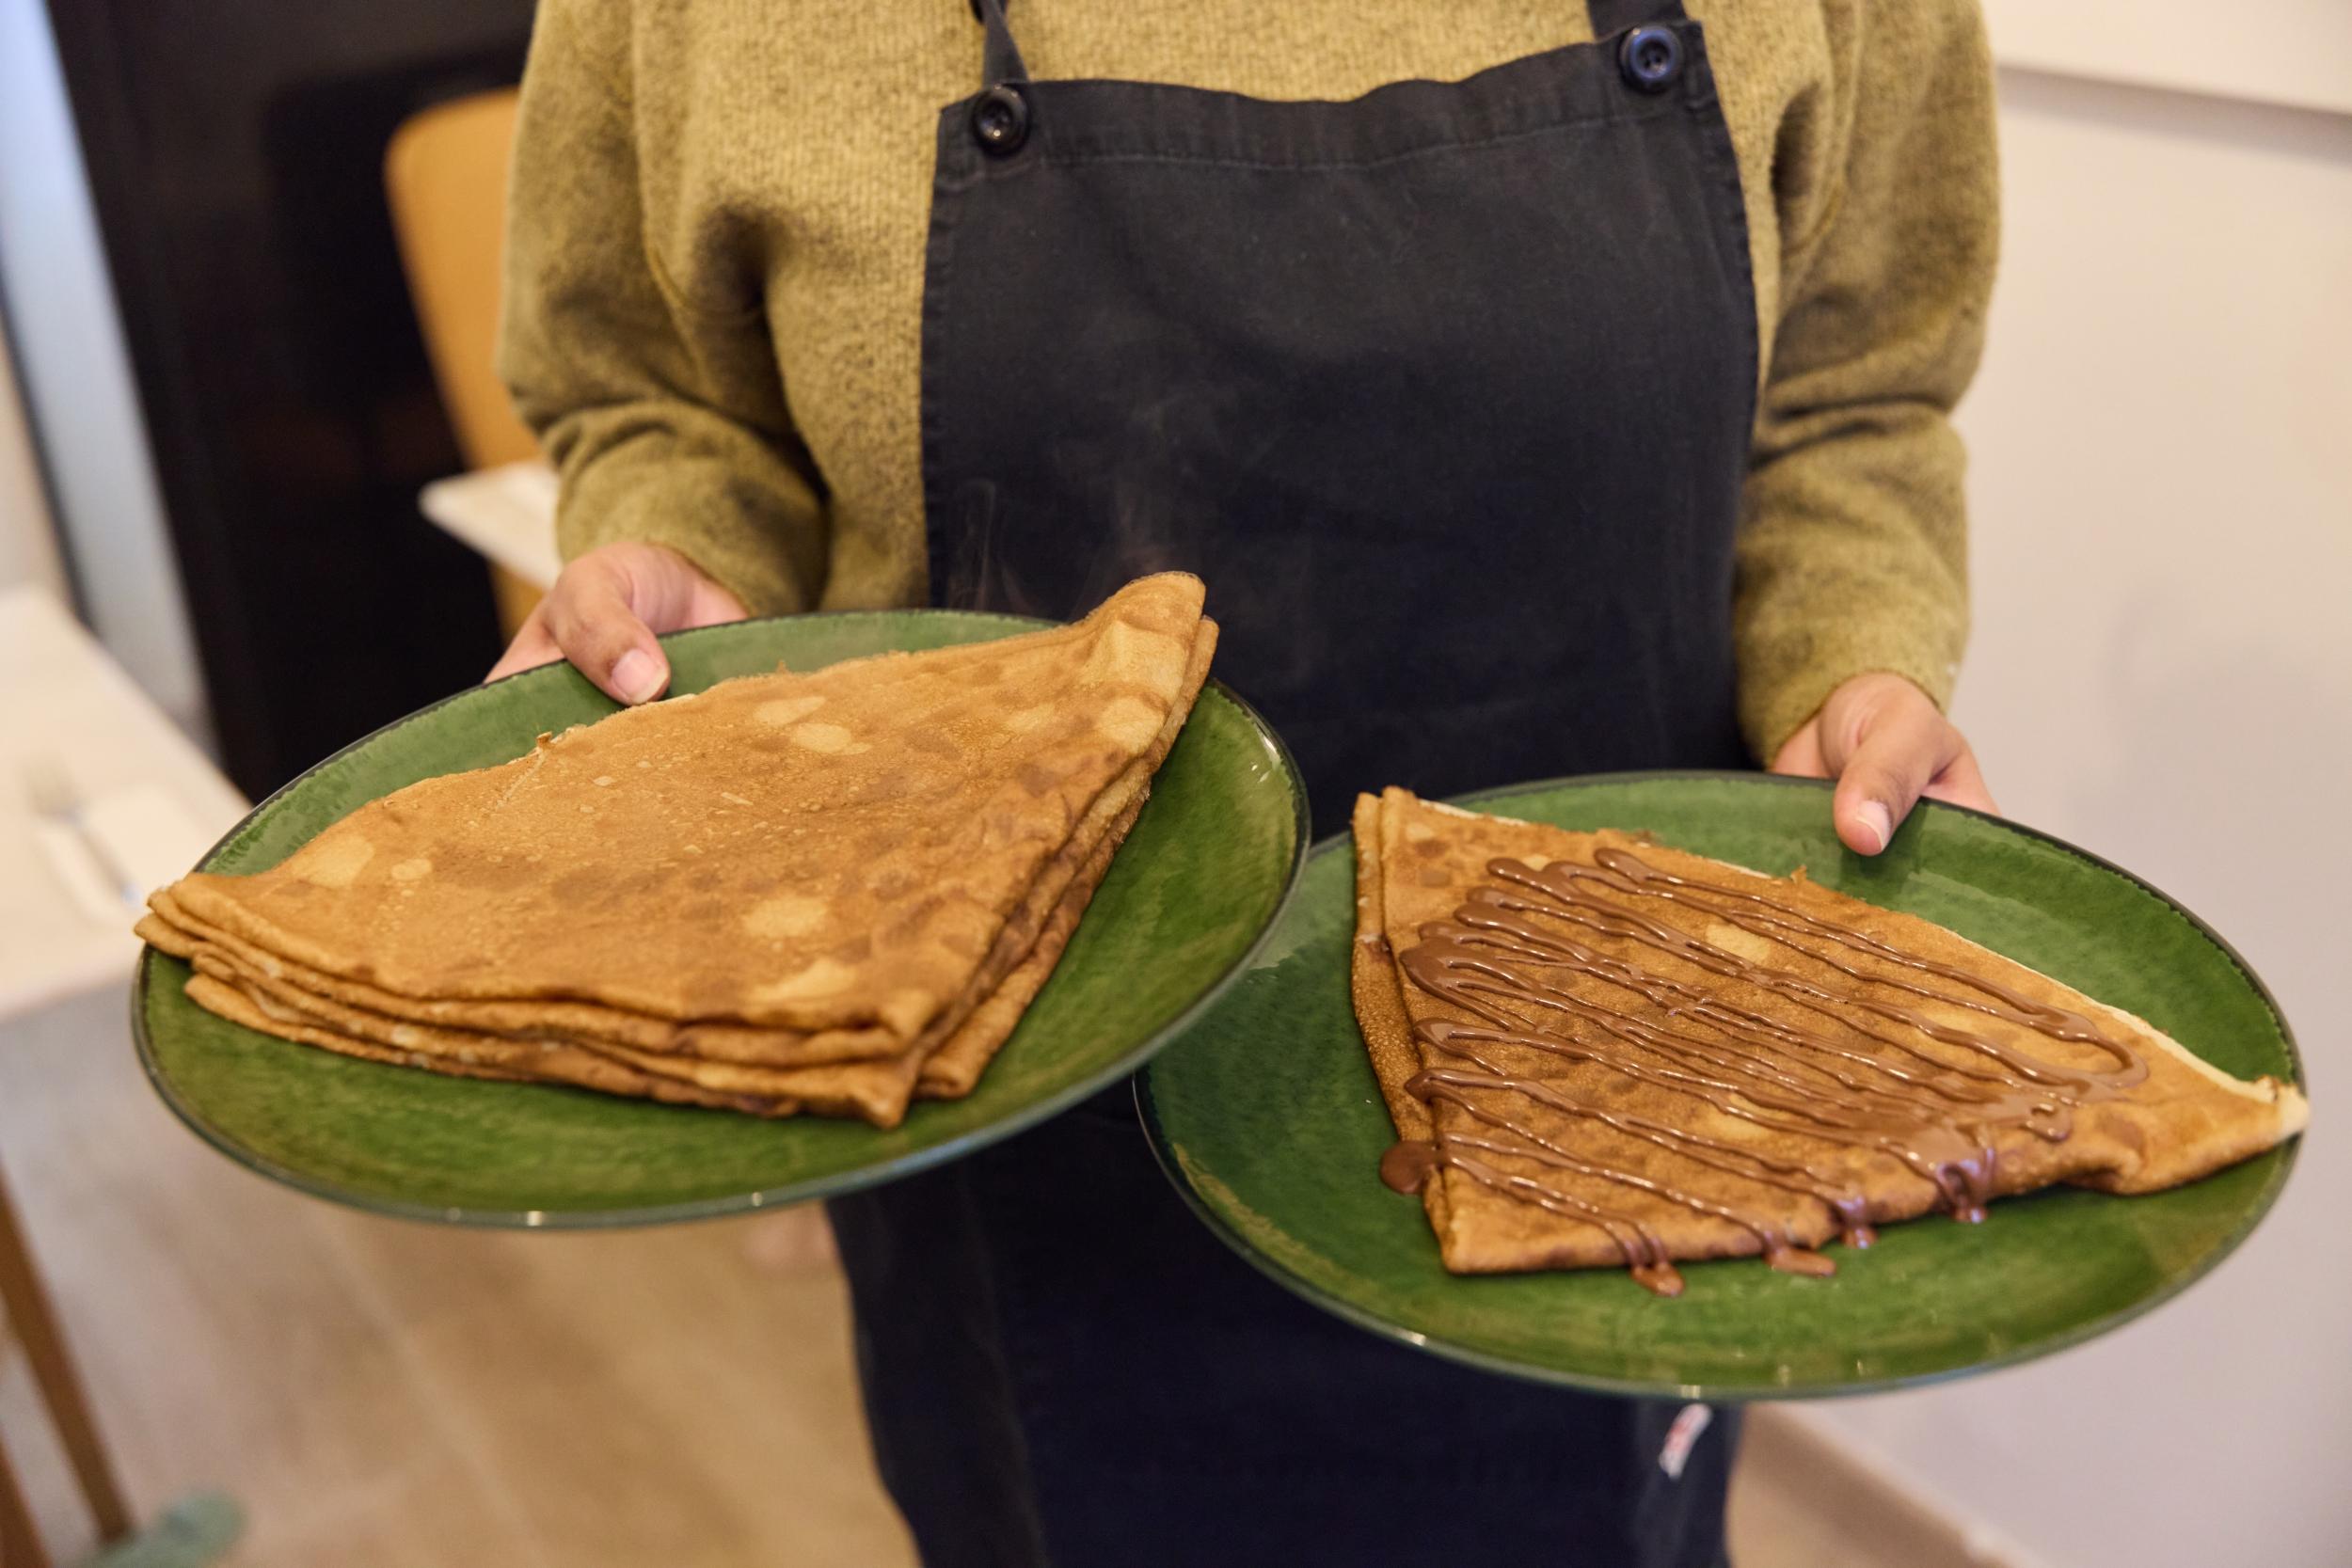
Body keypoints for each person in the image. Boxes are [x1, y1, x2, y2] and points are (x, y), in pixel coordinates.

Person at [487, 1, 1999, 1562]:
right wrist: (688, 559)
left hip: (1623, 1125)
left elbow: (1850, 399)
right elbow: (663, 395)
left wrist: (1851, 659)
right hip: (1031, 1173)